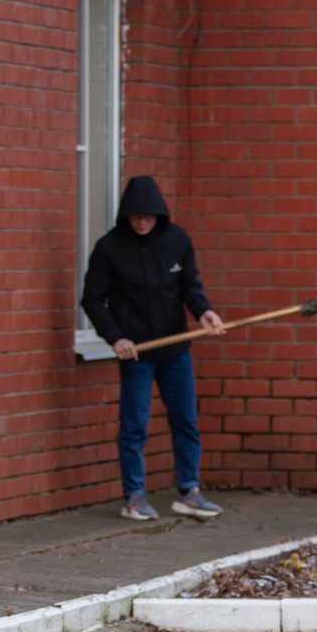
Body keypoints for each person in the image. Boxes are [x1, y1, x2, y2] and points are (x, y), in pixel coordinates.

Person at [80, 176, 226, 521]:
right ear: (126, 215)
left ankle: (189, 492)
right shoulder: (109, 248)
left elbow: (190, 284)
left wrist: (204, 311)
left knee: (186, 421)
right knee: (134, 427)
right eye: (136, 215)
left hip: (175, 348)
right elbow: (92, 299)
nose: (142, 221)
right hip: (137, 353)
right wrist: (116, 338)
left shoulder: (176, 241)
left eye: (149, 215)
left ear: (159, 214)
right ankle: (134, 496)